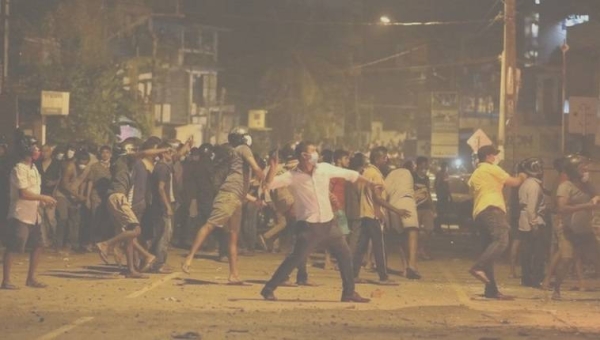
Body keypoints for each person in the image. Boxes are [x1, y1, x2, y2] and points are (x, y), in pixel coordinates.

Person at [260, 141, 376, 303]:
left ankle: (349, 292)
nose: (317, 154)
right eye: (313, 151)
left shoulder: (324, 169)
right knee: (295, 258)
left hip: (329, 223)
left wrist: (370, 183)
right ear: (304, 156)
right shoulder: (293, 176)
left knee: (345, 254)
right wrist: (273, 168)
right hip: (309, 226)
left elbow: (349, 174)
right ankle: (269, 288)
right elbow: (268, 185)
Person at [182, 127, 265, 285]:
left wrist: (254, 198)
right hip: (229, 196)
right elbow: (256, 168)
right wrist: (264, 181)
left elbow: (241, 186)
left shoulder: (236, 151)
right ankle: (189, 257)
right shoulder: (244, 149)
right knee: (210, 225)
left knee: (233, 237)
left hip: (235, 198)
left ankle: (234, 274)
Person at [95, 138, 168, 278]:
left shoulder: (120, 163)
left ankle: (131, 269)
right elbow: (144, 153)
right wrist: (162, 150)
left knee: (129, 235)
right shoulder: (124, 160)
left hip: (115, 198)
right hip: (118, 197)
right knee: (136, 230)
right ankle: (106, 244)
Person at [468, 145, 527, 300]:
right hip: (492, 210)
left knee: (490, 249)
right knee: (502, 240)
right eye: (494, 155)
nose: (495, 158)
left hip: (479, 213)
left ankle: (491, 290)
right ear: (488, 156)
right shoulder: (491, 168)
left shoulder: (476, 174)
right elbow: (513, 182)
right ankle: (478, 267)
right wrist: (522, 176)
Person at [2, 132, 57, 289]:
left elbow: (34, 190)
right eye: (35, 147)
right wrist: (43, 197)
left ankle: (31, 278)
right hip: (20, 214)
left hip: (34, 214)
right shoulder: (19, 169)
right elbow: (23, 193)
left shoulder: (34, 169)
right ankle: (6, 280)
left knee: (39, 245)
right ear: (27, 149)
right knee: (14, 246)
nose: (38, 150)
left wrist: (43, 202)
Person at [353, 146, 410, 285]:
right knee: (380, 246)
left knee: (361, 247)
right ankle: (383, 277)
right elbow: (377, 198)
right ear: (378, 159)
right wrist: (397, 211)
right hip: (373, 214)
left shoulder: (366, 172)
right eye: (384, 157)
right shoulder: (376, 175)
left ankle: (353, 275)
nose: (387, 160)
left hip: (365, 213)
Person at [553, 154, 600, 300]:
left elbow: (597, 195)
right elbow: (562, 208)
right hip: (568, 230)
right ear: (574, 170)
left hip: (585, 230)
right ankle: (556, 289)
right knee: (566, 259)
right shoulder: (565, 187)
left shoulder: (586, 185)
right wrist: (586, 205)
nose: (586, 170)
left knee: (598, 258)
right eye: (582, 168)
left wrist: (591, 187)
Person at [517, 158, 549, 288]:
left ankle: (526, 279)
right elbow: (532, 208)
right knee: (537, 253)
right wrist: (535, 224)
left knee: (527, 252)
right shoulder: (534, 186)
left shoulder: (526, 183)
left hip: (524, 222)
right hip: (533, 222)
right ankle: (536, 279)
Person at [385, 163, 420, 278]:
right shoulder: (408, 173)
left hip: (392, 205)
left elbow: (386, 194)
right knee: (412, 232)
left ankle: (405, 266)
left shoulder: (389, 176)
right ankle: (412, 265)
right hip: (406, 201)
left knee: (399, 237)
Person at [86, 145, 112, 243]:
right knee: (95, 218)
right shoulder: (95, 166)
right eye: (103, 152)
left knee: (107, 219)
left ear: (110, 154)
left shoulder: (113, 167)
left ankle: (104, 242)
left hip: (108, 196)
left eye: (107, 152)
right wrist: (88, 198)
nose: (105, 154)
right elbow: (90, 182)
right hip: (96, 195)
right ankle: (93, 241)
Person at [36, 144, 60, 247]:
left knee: (51, 219)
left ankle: (55, 239)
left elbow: (60, 178)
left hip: (51, 194)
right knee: (41, 220)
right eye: (42, 151)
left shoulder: (57, 164)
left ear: (51, 152)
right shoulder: (37, 164)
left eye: (46, 151)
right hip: (39, 194)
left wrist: (54, 184)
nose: (44, 153)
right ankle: (44, 242)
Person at [414, 156, 435, 262]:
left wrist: (432, 208)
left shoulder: (426, 179)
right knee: (414, 231)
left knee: (429, 229)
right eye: (422, 167)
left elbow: (428, 193)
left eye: (425, 167)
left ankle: (421, 249)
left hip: (426, 207)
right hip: (416, 208)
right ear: (417, 166)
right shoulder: (412, 177)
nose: (424, 169)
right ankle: (414, 251)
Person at [434, 161, 451, 233]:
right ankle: (437, 227)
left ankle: (438, 227)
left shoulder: (444, 174)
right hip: (442, 196)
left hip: (443, 195)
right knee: (440, 212)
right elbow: (437, 185)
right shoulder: (441, 174)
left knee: (442, 212)